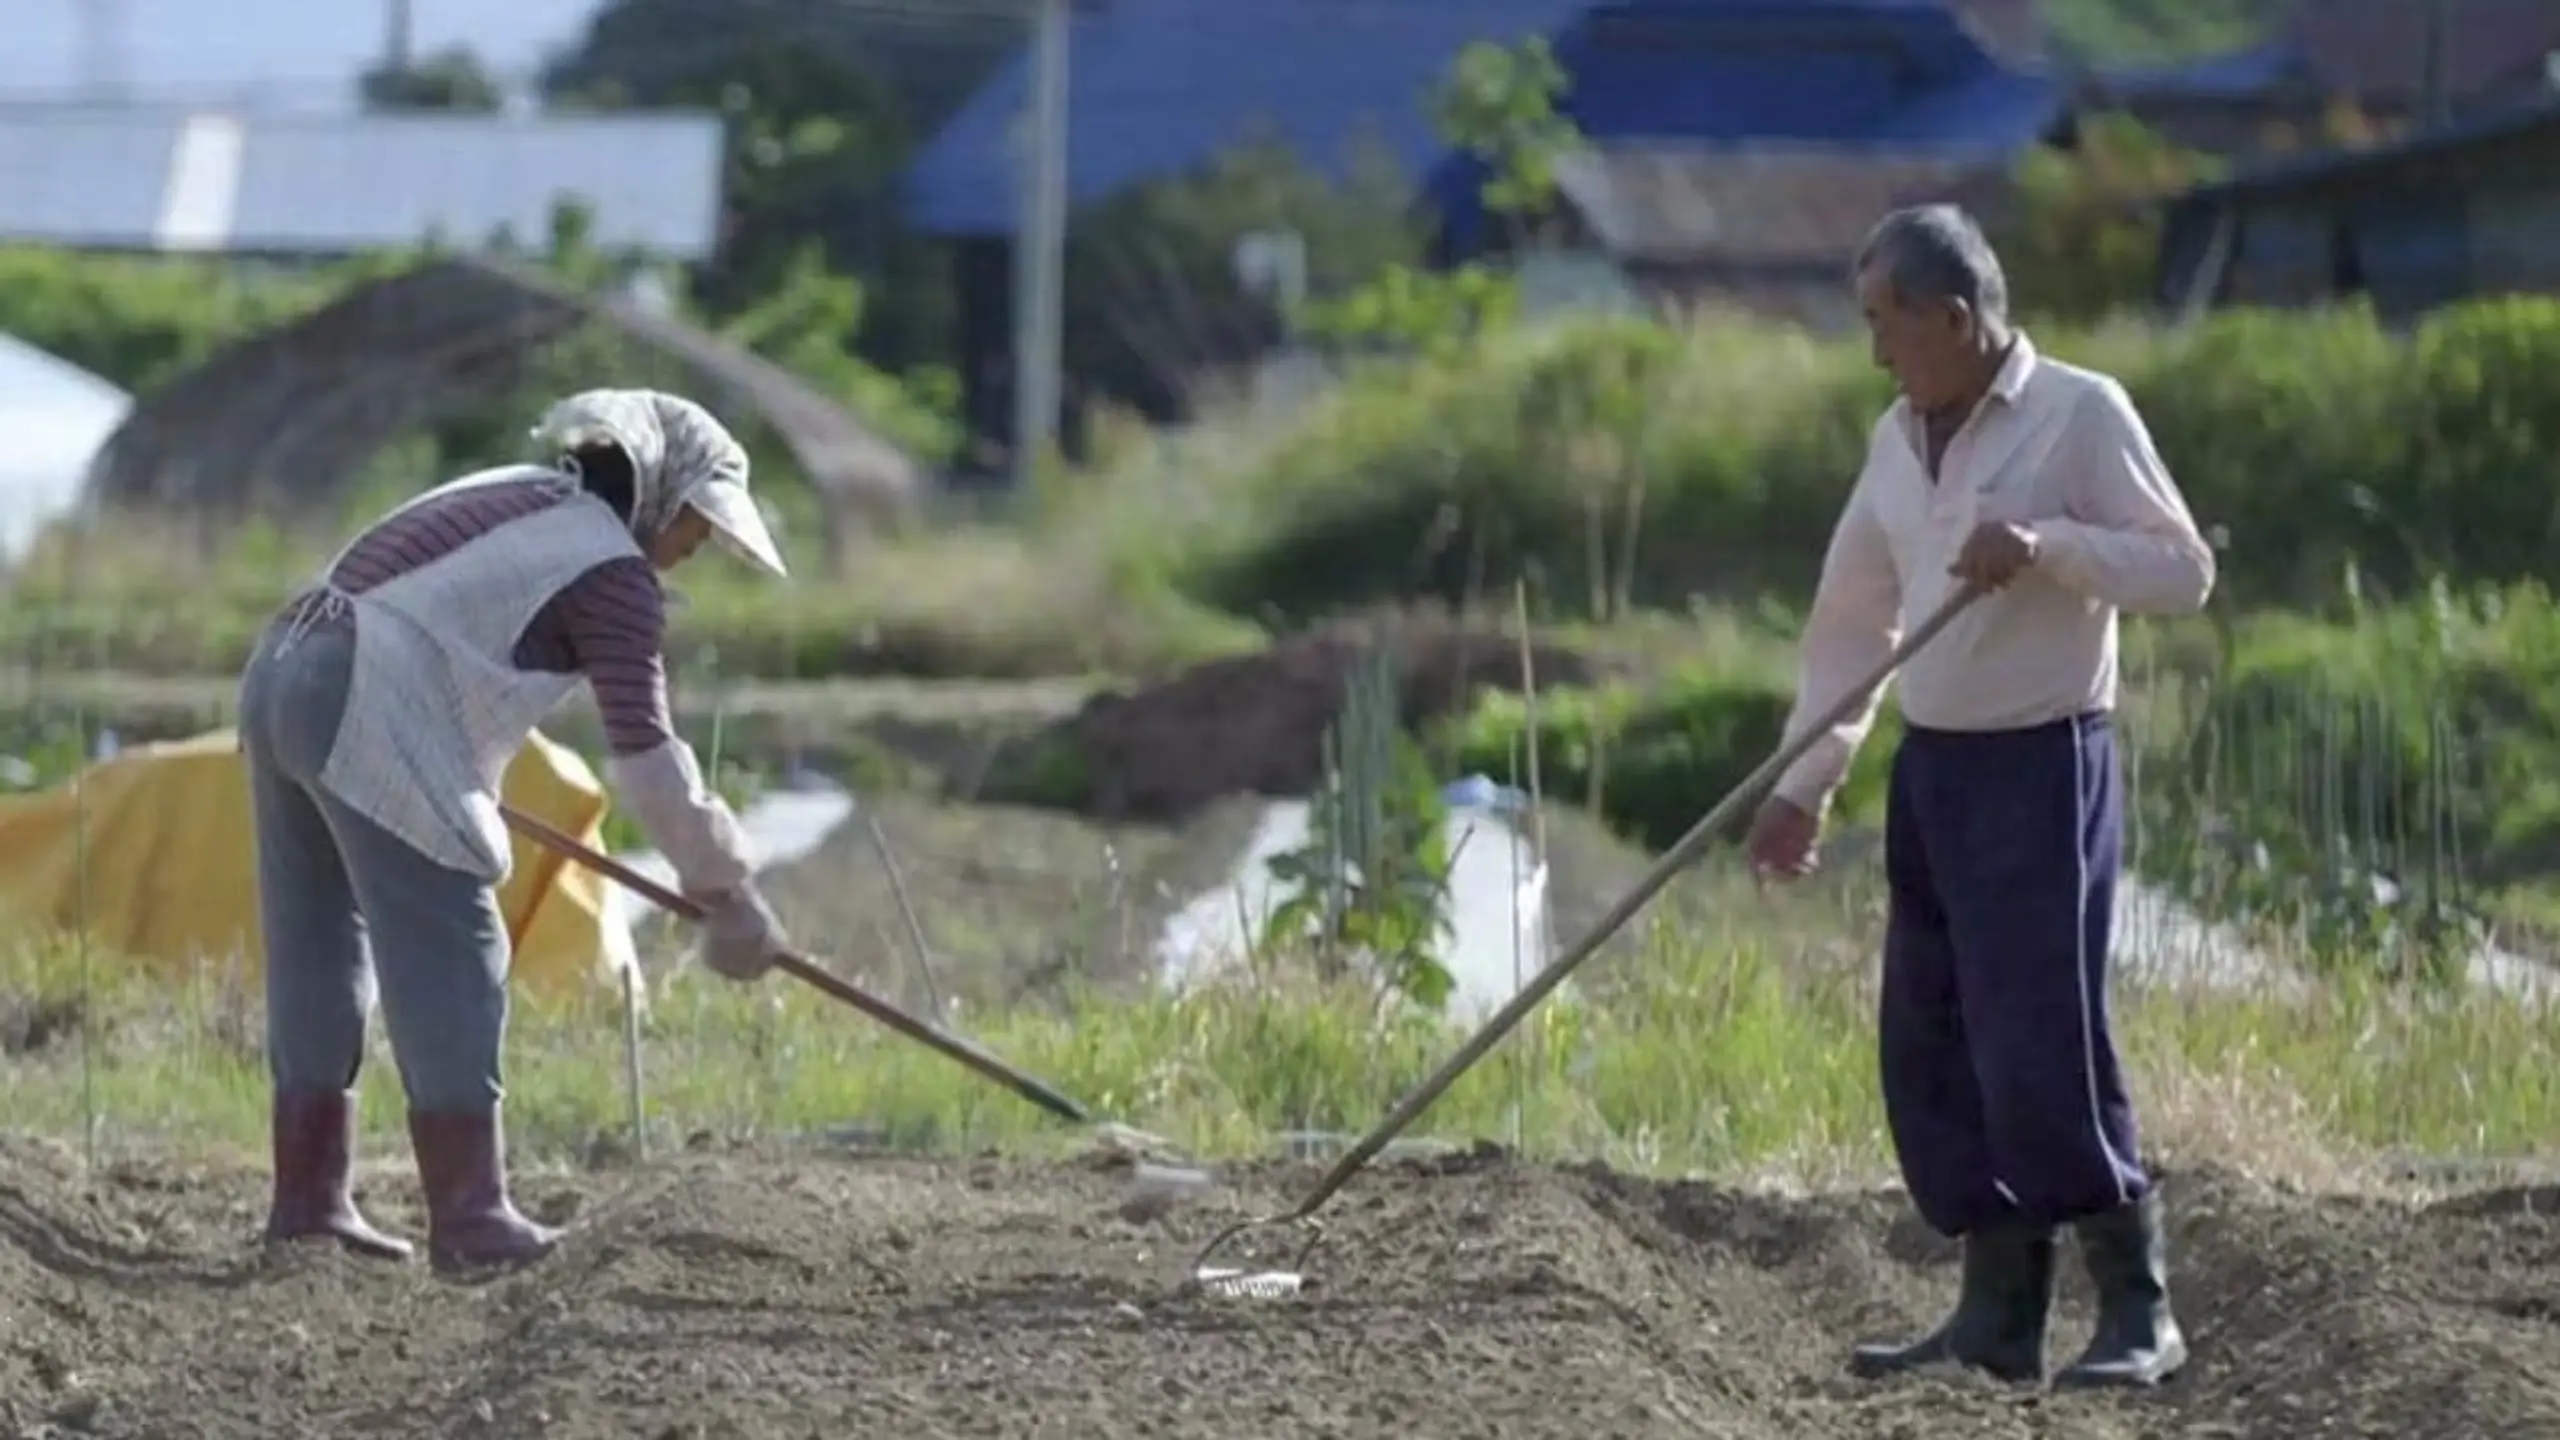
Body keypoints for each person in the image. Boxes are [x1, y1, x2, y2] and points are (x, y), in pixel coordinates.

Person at [1743, 206, 2215, 1389]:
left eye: (1883, 324)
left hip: (2041, 765)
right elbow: (1854, 621)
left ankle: (2137, 1309)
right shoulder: (1896, 440)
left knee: (2040, 1035)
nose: (1874, 353)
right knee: (1931, 1044)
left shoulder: (2079, 413)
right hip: (1935, 770)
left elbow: (2182, 572)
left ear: (1955, 318)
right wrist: (1807, 782)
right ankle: (1997, 1317)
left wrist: (2048, 544)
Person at [238, 388, 797, 1274]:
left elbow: (442, 628)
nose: (690, 554)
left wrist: (446, 763)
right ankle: (472, 1216)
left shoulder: (521, 495)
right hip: (363, 688)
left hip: (279, 670)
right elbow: (649, 757)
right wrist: (727, 888)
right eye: (693, 531)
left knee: (320, 940)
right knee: (456, 937)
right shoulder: (612, 572)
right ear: (658, 495)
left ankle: (309, 1201)